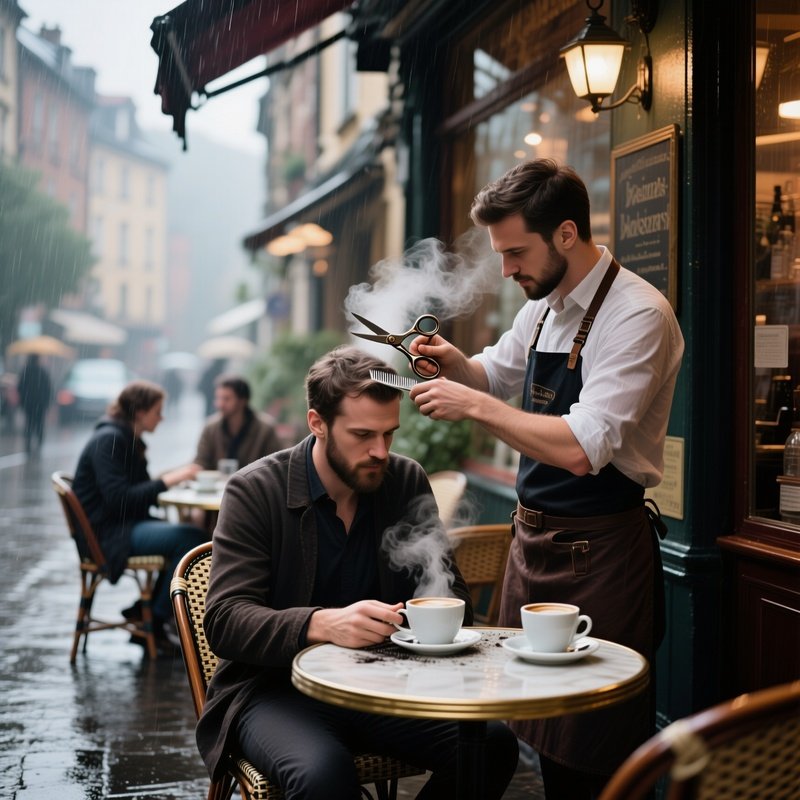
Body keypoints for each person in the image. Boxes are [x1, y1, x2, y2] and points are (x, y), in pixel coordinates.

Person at [408, 159, 685, 798]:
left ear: (566, 234)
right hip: (531, 544)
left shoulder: (637, 314)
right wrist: (458, 366)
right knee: (525, 731)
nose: (506, 270)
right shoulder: (545, 307)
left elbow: (585, 448)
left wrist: (473, 405)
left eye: (515, 252)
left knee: (589, 751)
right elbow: (496, 376)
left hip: (602, 554)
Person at [195, 346, 519, 800]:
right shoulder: (255, 490)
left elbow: (451, 595)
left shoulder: (404, 480)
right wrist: (322, 623)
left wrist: (426, 616)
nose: (380, 452)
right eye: (363, 434)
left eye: (390, 434)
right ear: (317, 423)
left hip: (382, 685)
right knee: (323, 775)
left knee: (491, 746)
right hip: (275, 690)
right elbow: (225, 620)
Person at [71, 380, 206, 650]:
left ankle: (144, 611)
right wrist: (169, 480)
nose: (162, 417)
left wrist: (172, 481)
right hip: (108, 535)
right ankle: (155, 619)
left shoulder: (124, 438)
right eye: (158, 410)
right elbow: (120, 499)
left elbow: (135, 492)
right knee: (192, 541)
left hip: (119, 526)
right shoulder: (110, 440)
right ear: (141, 412)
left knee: (189, 535)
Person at [193, 374, 281, 471]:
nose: (220, 404)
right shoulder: (210, 427)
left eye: (226, 399)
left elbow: (274, 466)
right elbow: (200, 462)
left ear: (242, 401)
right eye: (218, 398)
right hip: (217, 484)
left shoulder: (265, 429)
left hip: (252, 484)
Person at [16, 354, 52, 454]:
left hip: (28, 404)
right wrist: (47, 403)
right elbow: (48, 389)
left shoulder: (25, 372)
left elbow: (20, 388)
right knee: (39, 424)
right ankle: (39, 442)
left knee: (29, 424)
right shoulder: (43, 372)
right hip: (40, 404)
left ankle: (28, 444)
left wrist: (22, 401)